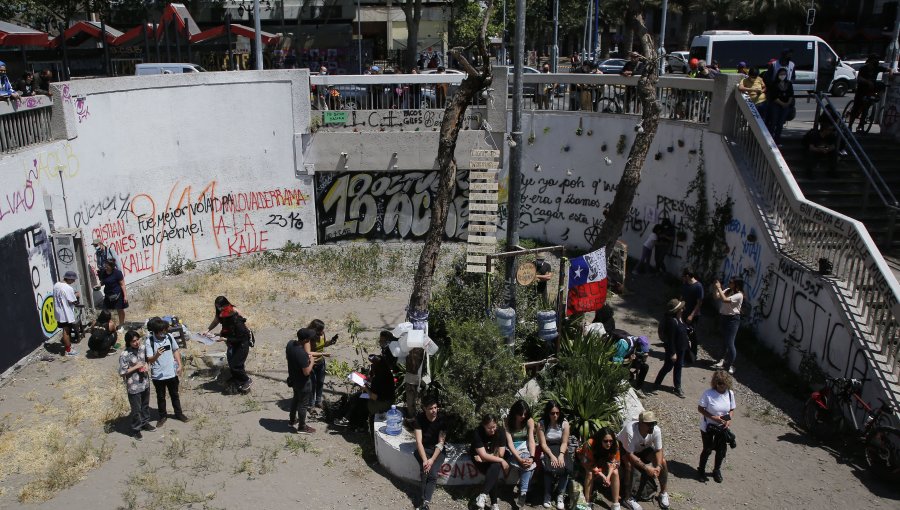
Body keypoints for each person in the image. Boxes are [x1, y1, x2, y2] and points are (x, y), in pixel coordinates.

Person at [617, 410, 670, 510]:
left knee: (662, 461)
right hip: (624, 448)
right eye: (649, 424)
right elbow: (630, 454)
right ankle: (627, 498)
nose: (652, 426)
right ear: (640, 423)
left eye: (654, 423)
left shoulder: (656, 430)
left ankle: (663, 493)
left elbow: (659, 450)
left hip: (642, 448)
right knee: (629, 465)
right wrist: (646, 468)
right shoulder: (631, 431)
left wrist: (658, 466)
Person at [205, 296, 253, 392]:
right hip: (231, 341)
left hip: (241, 343)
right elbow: (219, 323)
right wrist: (210, 332)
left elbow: (241, 335)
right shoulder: (224, 316)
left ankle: (246, 380)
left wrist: (225, 338)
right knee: (232, 362)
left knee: (236, 365)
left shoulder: (235, 318)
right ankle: (238, 380)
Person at [145, 317, 188, 426]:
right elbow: (150, 359)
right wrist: (157, 355)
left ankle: (179, 414)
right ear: (155, 331)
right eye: (161, 331)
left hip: (171, 373)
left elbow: (175, 350)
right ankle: (162, 416)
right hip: (158, 375)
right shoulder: (149, 341)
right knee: (161, 397)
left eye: (165, 330)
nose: (164, 332)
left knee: (174, 394)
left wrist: (180, 364)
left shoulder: (169, 337)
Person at [697, 370, 736, 483]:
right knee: (708, 449)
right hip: (708, 427)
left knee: (721, 450)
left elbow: (732, 409)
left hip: (722, 427)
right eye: (719, 383)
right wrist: (713, 418)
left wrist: (728, 420)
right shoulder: (708, 394)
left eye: (723, 383)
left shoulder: (729, 394)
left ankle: (716, 470)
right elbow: (700, 408)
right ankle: (701, 470)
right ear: (715, 383)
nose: (721, 386)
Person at [119, 329, 154, 439]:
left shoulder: (142, 348)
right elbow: (122, 372)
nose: (136, 342)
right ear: (128, 342)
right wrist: (136, 367)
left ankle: (145, 423)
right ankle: (135, 429)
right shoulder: (125, 354)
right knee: (136, 409)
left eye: (137, 339)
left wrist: (147, 365)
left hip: (144, 382)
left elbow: (148, 360)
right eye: (133, 341)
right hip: (133, 386)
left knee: (145, 405)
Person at [413, 395, 447, 510]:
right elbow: (418, 441)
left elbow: (441, 443)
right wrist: (425, 460)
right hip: (423, 449)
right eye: (431, 408)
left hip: (437, 451)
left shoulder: (442, 419)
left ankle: (424, 502)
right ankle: (423, 503)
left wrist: (431, 460)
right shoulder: (419, 419)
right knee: (424, 471)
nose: (434, 411)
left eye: (435, 407)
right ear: (424, 408)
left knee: (432, 474)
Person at [651, 299, 690, 398]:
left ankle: (677, 387)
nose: (683, 309)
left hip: (681, 348)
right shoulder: (672, 322)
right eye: (681, 308)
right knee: (667, 367)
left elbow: (682, 331)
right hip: (674, 349)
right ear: (677, 310)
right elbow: (671, 339)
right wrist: (673, 353)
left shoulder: (680, 318)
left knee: (678, 367)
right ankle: (656, 384)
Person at [537, 400, 571, 510]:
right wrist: (551, 456)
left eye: (557, 413)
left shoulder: (564, 423)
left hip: (561, 446)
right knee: (548, 469)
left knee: (565, 467)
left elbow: (565, 442)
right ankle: (547, 495)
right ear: (548, 413)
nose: (555, 415)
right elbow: (542, 443)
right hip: (548, 447)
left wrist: (561, 455)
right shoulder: (542, 424)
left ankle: (560, 495)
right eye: (552, 413)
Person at [577, 427, 621, 510]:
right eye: (605, 441)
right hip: (587, 460)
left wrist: (608, 477)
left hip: (603, 461)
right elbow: (589, 463)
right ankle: (587, 501)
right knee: (590, 473)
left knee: (615, 472)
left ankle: (615, 503)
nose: (609, 444)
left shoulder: (615, 444)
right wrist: (604, 477)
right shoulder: (589, 444)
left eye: (610, 441)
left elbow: (615, 462)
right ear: (600, 440)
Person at [846, 55, 892, 133]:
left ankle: (861, 126)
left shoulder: (877, 68)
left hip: (869, 91)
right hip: (861, 90)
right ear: (869, 62)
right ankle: (850, 126)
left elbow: (889, 69)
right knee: (856, 108)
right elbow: (859, 78)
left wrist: (891, 72)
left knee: (866, 109)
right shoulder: (863, 69)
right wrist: (867, 81)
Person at [471, 414, 508, 510]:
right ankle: (494, 503)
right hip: (477, 460)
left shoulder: (500, 431)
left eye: (494, 427)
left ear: (496, 424)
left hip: (486, 459)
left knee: (494, 466)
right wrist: (501, 460)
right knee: (495, 468)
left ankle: (483, 495)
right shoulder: (477, 432)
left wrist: (486, 458)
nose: (492, 430)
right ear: (484, 426)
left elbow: (501, 453)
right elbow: (483, 455)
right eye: (489, 428)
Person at [505, 400, 537, 508]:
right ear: (515, 412)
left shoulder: (529, 421)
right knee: (528, 466)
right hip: (512, 451)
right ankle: (524, 491)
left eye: (525, 414)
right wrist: (519, 459)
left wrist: (532, 457)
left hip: (524, 449)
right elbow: (510, 444)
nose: (523, 416)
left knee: (528, 462)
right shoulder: (508, 421)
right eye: (520, 414)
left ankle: (523, 492)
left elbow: (531, 440)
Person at [286, 328, 316, 434]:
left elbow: (288, 358)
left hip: (293, 379)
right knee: (303, 404)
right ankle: (302, 427)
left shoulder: (290, 344)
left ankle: (292, 420)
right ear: (305, 340)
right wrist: (311, 361)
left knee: (295, 399)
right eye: (309, 339)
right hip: (303, 383)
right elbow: (306, 372)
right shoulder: (301, 354)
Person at [712, 277, 744, 374]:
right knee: (723, 340)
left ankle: (730, 364)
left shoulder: (739, 295)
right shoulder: (728, 290)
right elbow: (716, 297)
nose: (729, 283)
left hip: (732, 320)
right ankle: (722, 359)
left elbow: (725, 300)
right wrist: (716, 288)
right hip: (724, 317)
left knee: (730, 342)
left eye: (731, 282)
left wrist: (719, 288)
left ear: (736, 285)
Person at [306, 319, 338, 413]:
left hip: (320, 362)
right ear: (315, 330)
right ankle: (311, 405)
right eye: (321, 330)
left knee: (320, 382)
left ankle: (318, 401)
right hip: (311, 363)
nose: (323, 332)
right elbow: (308, 353)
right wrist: (323, 354)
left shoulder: (322, 335)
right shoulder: (309, 339)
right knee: (312, 384)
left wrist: (331, 341)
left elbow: (323, 345)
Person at [53, 271, 81, 356]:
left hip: (59, 312)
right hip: (66, 314)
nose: (73, 281)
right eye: (72, 280)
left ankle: (68, 347)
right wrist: (76, 295)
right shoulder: (68, 288)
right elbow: (72, 300)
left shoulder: (56, 285)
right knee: (66, 332)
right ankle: (68, 350)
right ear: (68, 278)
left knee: (64, 330)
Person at [765, 67, 793, 146]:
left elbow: (791, 94)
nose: (782, 75)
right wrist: (782, 103)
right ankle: (769, 141)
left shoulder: (789, 83)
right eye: (781, 74)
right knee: (773, 123)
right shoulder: (775, 83)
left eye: (784, 74)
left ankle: (777, 141)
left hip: (785, 106)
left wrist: (787, 103)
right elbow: (774, 96)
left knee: (780, 124)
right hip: (776, 105)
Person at [680, 268, 704, 362]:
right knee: (683, 334)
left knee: (692, 336)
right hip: (684, 312)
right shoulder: (685, 284)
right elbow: (682, 297)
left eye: (684, 276)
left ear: (687, 276)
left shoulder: (698, 286)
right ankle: (685, 354)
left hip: (693, 315)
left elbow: (699, 303)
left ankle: (693, 355)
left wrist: (692, 315)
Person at [99, 259, 128, 327]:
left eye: (107, 265)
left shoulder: (117, 273)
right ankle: (108, 325)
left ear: (112, 266)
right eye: (105, 265)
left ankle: (121, 325)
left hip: (117, 294)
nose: (105, 267)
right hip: (108, 295)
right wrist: (99, 285)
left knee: (120, 310)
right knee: (105, 311)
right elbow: (103, 281)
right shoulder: (103, 272)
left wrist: (125, 296)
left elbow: (122, 285)